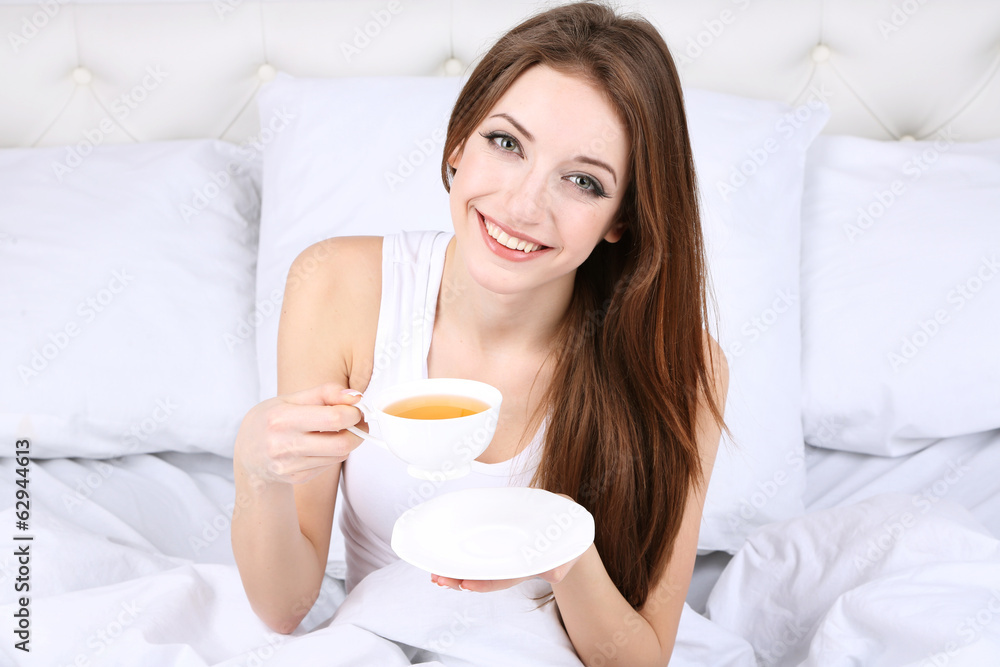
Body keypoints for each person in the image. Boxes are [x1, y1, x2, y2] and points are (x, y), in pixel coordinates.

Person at [231, 2, 729, 664]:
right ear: (459, 142)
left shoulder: (679, 364)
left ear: (621, 218)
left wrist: (562, 550)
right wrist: (255, 467)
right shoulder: (338, 285)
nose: (523, 206)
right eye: (506, 143)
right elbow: (285, 607)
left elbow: (638, 657)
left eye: (582, 181)